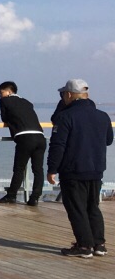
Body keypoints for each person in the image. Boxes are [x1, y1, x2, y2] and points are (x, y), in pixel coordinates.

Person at [46, 79, 113, 258]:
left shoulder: (66, 117)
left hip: (73, 170)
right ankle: (99, 244)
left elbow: (58, 144)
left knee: (76, 207)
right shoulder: (103, 116)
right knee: (93, 206)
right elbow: (108, 140)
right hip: (96, 169)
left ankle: (84, 246)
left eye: (63, 95)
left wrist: (52, 168)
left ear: (68, 95)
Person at [0, 81, 46, 206]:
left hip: (25, 137)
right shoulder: (27, 103)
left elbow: (4, 118)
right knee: (38, 169)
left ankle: (11, 195)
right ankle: (35, 197)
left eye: (1, 93)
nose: (0, 96)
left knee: (19, 169)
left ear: (9, 92)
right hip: (40, 136)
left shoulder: (5, 101)